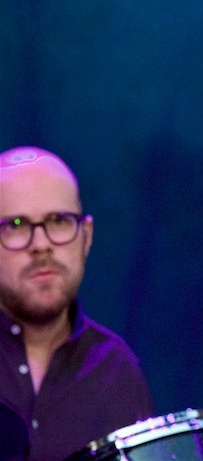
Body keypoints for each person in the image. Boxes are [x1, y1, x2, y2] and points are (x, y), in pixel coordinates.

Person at [0, 147, 154, 461]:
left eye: (58, 221)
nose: (41, 245)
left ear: (86, 236)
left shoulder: (117, 370)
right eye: (16, 225)